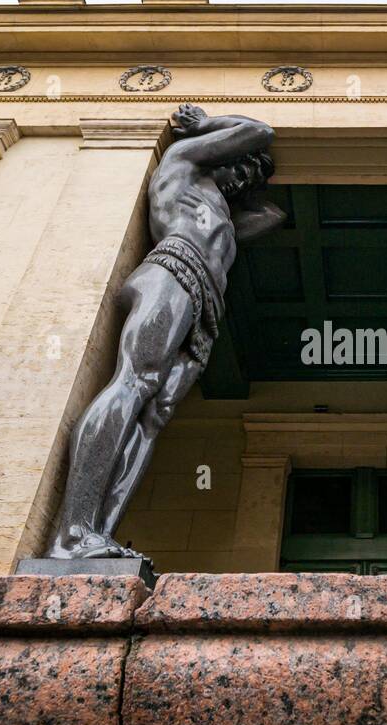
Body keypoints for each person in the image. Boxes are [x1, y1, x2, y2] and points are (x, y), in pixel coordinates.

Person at [46, 105, 285, 559]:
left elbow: (270, 214)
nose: (244, 178)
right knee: (135, 382)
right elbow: (259, 129)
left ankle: (98, 536)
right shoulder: (182, 164)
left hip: (205, 300)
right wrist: (207, 128)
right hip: (172, 272)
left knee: (155, 416)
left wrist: (240, 184)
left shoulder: (221, 212)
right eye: (242, 167)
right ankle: (71, 532)